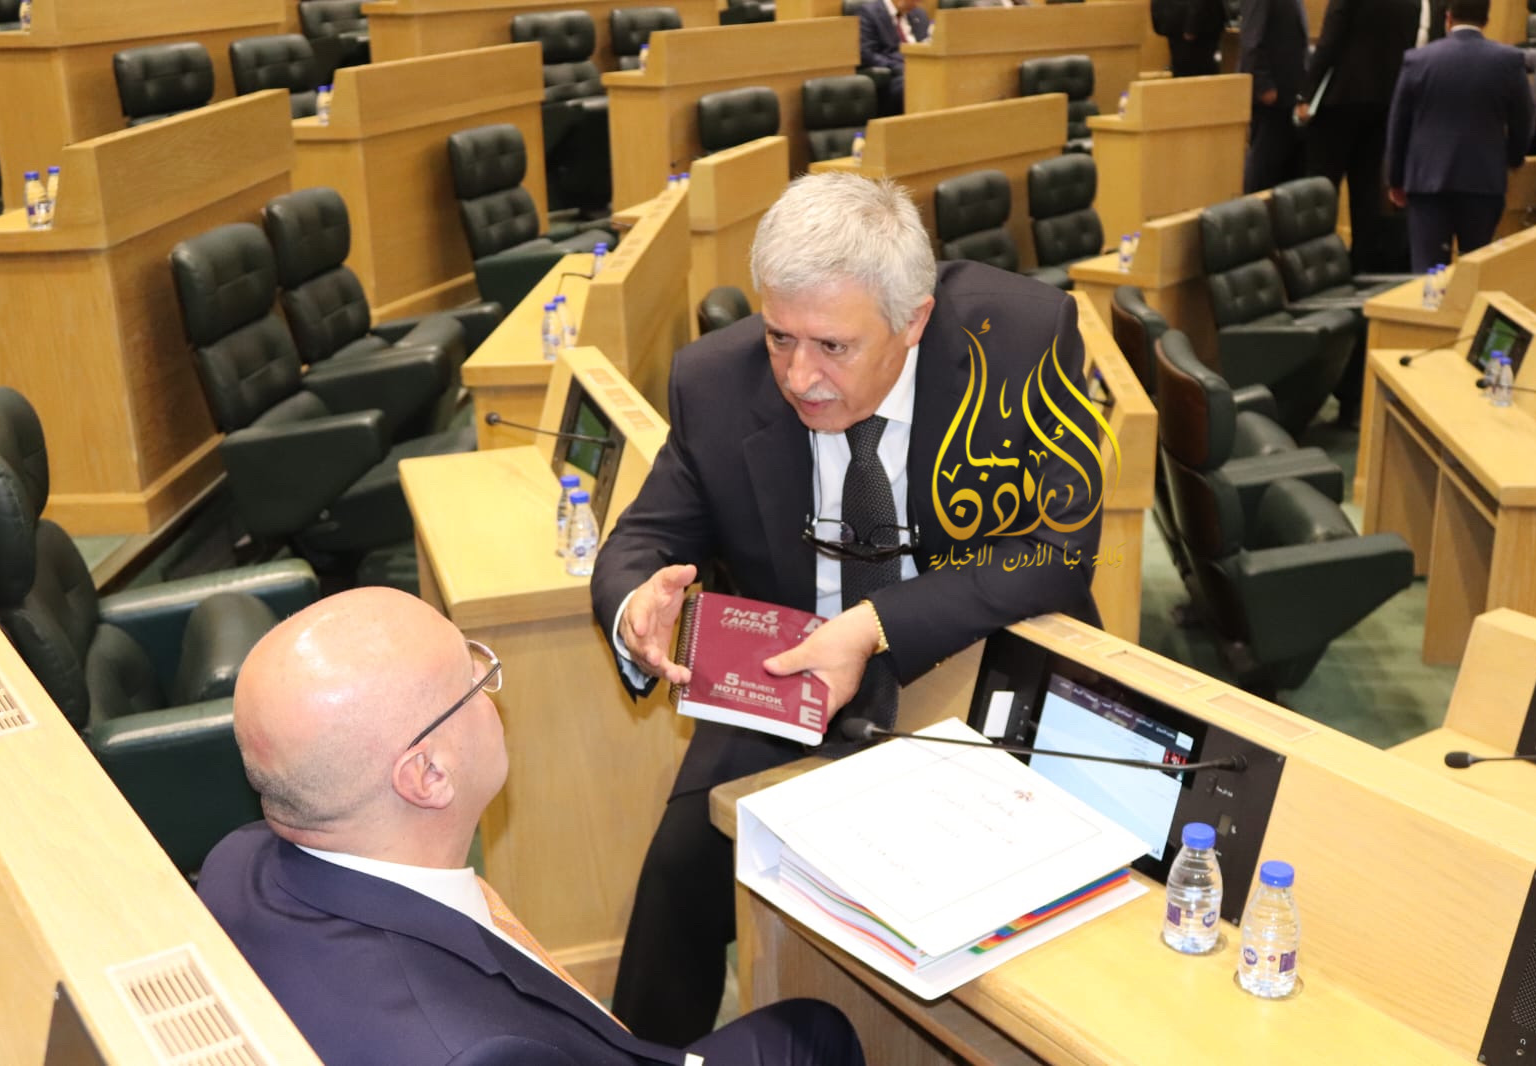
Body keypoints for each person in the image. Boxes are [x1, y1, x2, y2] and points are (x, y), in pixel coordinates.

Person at [592, 173, 1106, 1044]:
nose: (800, 376)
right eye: (779, 337)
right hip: (790, 680)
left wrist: (871, 628)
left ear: (914, 320)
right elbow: (644, 536)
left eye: (833, 345)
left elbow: (1057, 550)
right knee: (679, 871)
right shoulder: (714, 382)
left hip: (975, 660)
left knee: (1044, 917)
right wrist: (635, 603)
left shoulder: (1022, 340)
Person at [197, 587, 866, 1066]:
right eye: (473, 679)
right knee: (812, 1032)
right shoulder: (479, 1051)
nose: (494, 686)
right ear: (427, 774)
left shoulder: (235, 861)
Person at [1386, 0, 1534, 271]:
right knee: (1475, 271)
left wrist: (1395, 179)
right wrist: (1512, 160)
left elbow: (1398, 125)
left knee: (1429, 275)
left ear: (1448, 18)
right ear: (1486, 21)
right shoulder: (1509, 61)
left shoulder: (1417, 60)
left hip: (1426, 183)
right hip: (1483, 182)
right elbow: (1523, 121)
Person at [1295, 0, 1419, 273]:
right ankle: (1363, 267)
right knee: (1366, 188)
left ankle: (1318, 266)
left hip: (1339, 100)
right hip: (1384, 100)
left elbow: (1329, 43)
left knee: (1322, 188)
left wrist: (1305, 93)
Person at [1239, 0, 1308, 192]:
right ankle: (1255, 210)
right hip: (1271, 98)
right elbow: (1251, 42)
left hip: (1289, 96)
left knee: (1286, 175)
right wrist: (1263, 85)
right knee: (1263, 173)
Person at [858, 0, 932, 114]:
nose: (919, 3)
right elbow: (867, 54)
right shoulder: (868, 13)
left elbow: (927, 44)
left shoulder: (919, 13)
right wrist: (902, 66)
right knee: (919, 85)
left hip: (923, 70)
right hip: (893, 76)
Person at [1152, 0, 1227, 77]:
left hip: (1184, 26)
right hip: (1192, 29)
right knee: (1195, 69)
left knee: (1186, 68)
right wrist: (1191, 27)